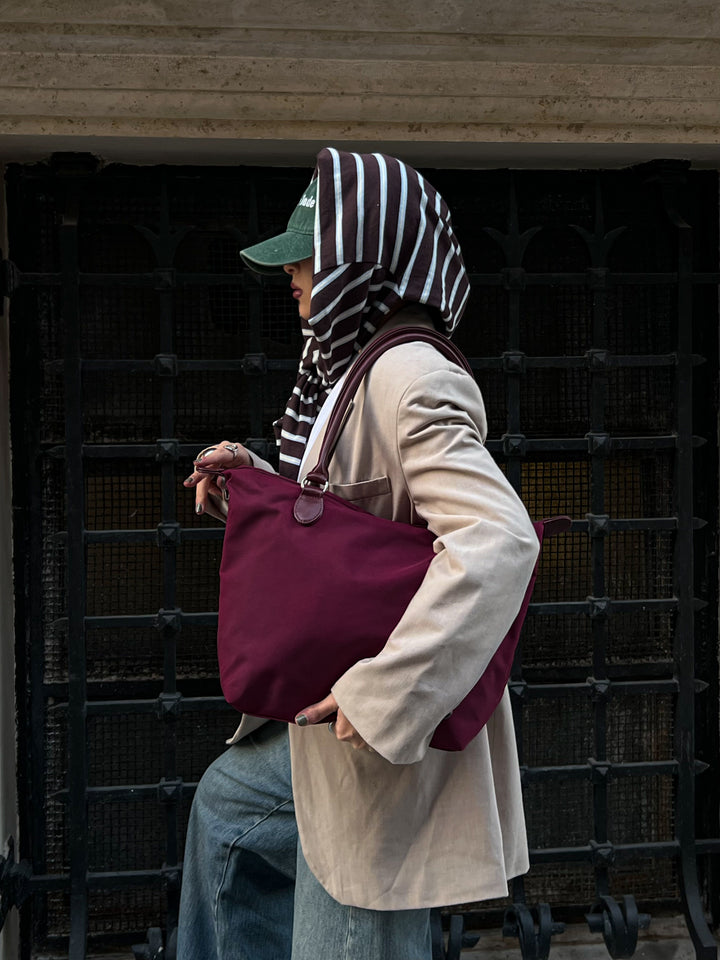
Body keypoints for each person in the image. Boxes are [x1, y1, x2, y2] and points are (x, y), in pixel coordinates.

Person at [178, 147, 540, 960]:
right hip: (329, 730)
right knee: (227, 808)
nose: (293, 275)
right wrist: (257, 482)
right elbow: (351, 521)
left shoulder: (409, 377)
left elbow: (499, 540)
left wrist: (382, 699)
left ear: (363, 261)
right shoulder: (350, 370)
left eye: (310, 256)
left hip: (381, 740)